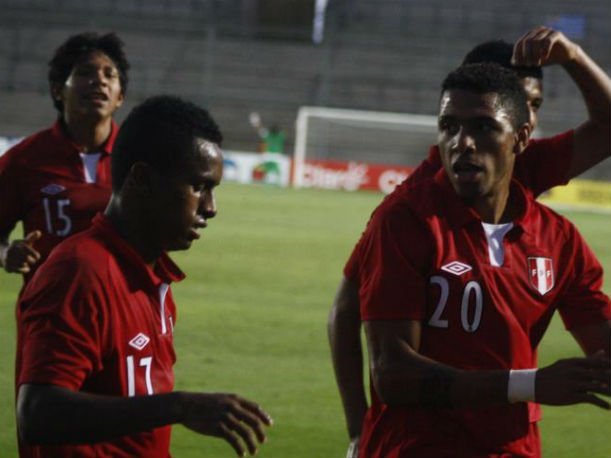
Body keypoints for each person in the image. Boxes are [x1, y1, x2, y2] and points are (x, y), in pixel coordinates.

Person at [328, 26, 611, 457]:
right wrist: (357, 429)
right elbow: (349, 314)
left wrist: (572, 56)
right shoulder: (409, 213)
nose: (465, 142)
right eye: (453, 125)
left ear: (517, 134)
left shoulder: (549, 220)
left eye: (534, 106)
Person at [15, 95, 272, 457]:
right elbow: (37, 414)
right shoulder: (81, 271)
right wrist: (178, 406)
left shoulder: (152, 276)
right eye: (198, 187)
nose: (211, 208)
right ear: (142, 179)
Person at [0, 32, 128, 286]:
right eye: (85, 73)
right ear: (58, 90)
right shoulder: (25, 159)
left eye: (109, 75)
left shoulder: (139, 157)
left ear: (120, 97)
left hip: (124, 314)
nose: (99, 81)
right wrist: (6, 254)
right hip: (49, 315)